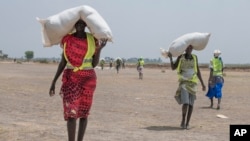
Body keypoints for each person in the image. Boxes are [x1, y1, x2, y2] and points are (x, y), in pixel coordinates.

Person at [49, 19, 107, 141]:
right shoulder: (68, 40)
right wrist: (54, 81)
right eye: (78, 24)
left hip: (88, 79)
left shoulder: (92, 39)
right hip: (71, 78)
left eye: (82, 24)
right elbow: (63, 62)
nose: (80, 26)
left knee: (84, 114)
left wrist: (100, 49)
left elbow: (94, 63)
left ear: (86, 25)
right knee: (71, 114)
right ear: (74, 25)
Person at [168, 45, 206, 129]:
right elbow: (173, 67)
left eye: (190, 48)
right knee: (186, 103)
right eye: (187, 48)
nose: (189, 49)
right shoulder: (180, 57)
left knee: (191, 105)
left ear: (192, 49)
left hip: (193, 83)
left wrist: (203, 83)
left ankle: (188, 123)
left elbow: (198, 70)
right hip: (184, 83)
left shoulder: (195, 57)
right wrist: (171, 58)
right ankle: (183, 120)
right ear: (185, 49)